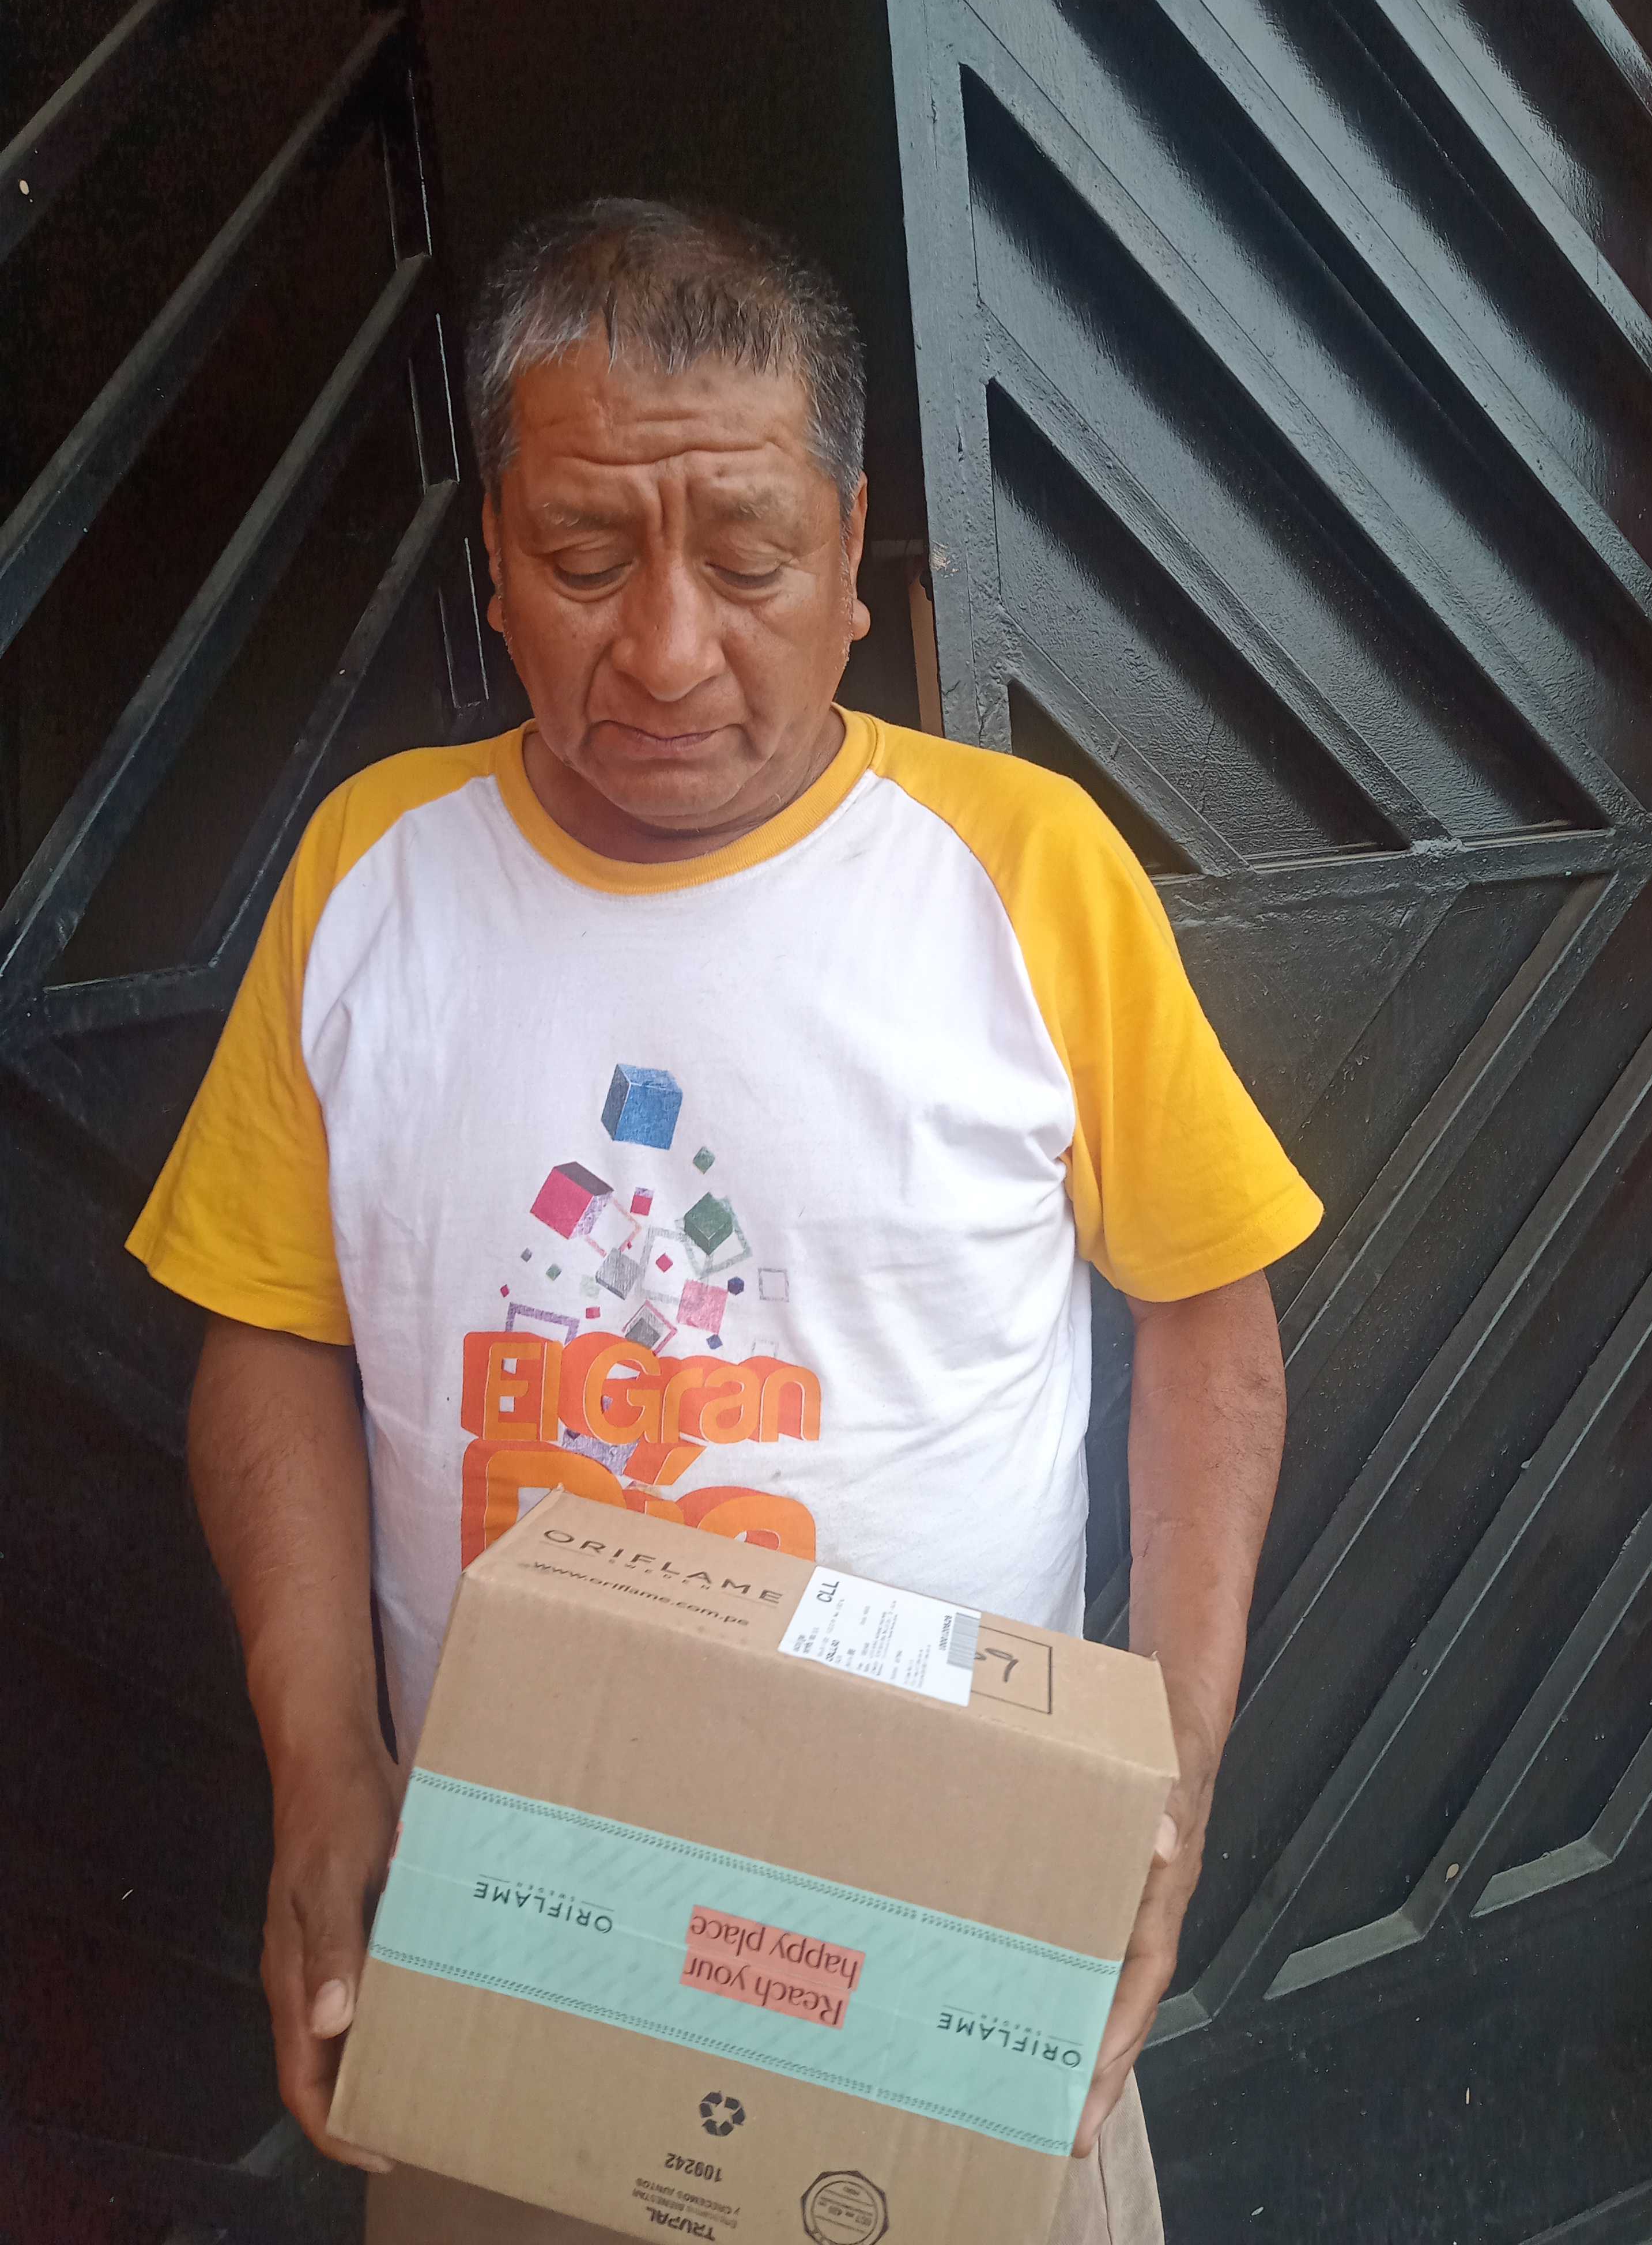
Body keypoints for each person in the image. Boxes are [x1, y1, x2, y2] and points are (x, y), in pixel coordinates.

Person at [127, 197, 1321, 2245]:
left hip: (949, 1941)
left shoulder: (1022, 872)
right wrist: (323, 1770)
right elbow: (274, 1334)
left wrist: (1174, 1765)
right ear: (495, 560)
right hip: (509, 1934)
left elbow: (1212, 1318)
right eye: (588, 560)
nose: (670, 651)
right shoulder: (373, 878)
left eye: (750, 561)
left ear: (854, 556)